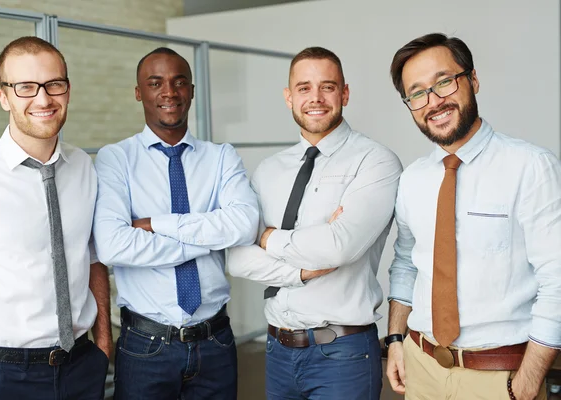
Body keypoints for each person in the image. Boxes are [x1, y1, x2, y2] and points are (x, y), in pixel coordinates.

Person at [385, 33, 561, 400]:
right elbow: (405, 264)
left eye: (444, 82)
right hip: (422, 368)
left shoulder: (530, 166)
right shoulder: (412, 179)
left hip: (499, 376)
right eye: (417, 93)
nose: (433, 101)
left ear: (473, 80)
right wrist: (397, 339)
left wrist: (527, 381)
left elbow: (557, 280)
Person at [228, 46, 402, 400]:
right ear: (289, 97)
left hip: (343, 352)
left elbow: (339, 246)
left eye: (327, 86)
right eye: (304, 88)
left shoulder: (375, 161)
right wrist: (303, 270)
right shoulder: (269, 170)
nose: (316, 98)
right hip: (277, 349)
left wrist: (267, 237)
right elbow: (235, 257)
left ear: (345, 93)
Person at [92, 47, 258, 400]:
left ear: (192, 90)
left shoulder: (221, 157)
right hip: (145, 346)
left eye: (179, 82)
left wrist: (155, 224)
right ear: (139, 92)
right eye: (156, 83)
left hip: (215, 342)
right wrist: (210, 236)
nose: (169, 92)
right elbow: (113, 245)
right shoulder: (115, 159)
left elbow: (243, 225)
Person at [0, 36, 111, 400]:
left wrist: (104, 342)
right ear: (4, 97)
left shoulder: (84, 168)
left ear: (68, 90)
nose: (43, 99)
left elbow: (90, 258)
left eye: (53, 84)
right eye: (26, 87)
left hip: (81, 366)